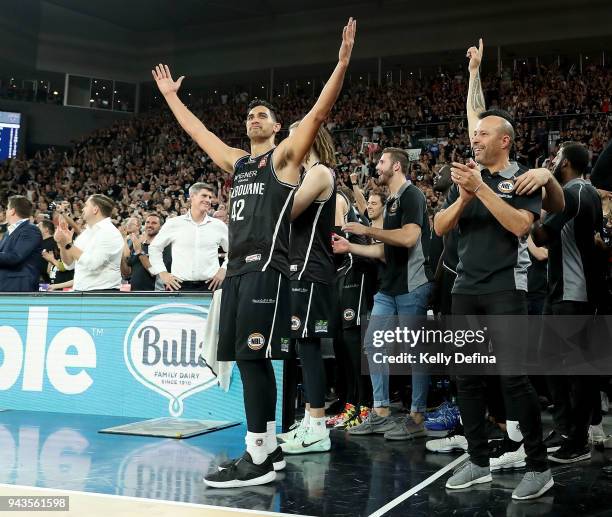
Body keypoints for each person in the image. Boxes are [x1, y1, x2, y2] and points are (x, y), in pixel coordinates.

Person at [152, 17, 356, 489]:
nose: (254, 119)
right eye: (250, 116)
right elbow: (199, 134)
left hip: (269, 268)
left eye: (263, 115)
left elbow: (319, 115)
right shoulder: (237, 161)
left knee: (253, 360)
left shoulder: (283, 160)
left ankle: (260, 455)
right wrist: (171, 99)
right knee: (246, 361)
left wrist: (341, 64)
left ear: (279, 127)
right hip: (239, 271)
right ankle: (264, 451)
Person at [433, 109, 553, 499]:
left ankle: (538, 466)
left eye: (484, 134)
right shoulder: (466, 179)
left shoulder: (522, 180)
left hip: (506, 288)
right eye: (475, 134)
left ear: (505, 140)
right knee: (467, 379)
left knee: (513, 379)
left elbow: (521, 227)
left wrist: (481, 189)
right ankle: (478, 460)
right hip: (465, 287)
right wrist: (466, 195)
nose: (476, 139)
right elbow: (439, 226)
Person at [333, 147, 434, 440]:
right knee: (373, 345)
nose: (376, 166)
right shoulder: (391, 201)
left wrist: (368, 230)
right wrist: (350, 247)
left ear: (397, 167)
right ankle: (380, 412)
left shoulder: (411, 195)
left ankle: (417, 416)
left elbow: (408, 237)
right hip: (389, 287)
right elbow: (385, 251)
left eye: (381, 161)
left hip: (412, 286)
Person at [531, 142, 604, 463]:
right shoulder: (589, 193)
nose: (553, 158)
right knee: (552, 363)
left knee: (576, 372)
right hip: (569, 292)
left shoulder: (571, 195)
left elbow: (540, 236)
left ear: (566, 164)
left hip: (571, 294)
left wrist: (531, 210)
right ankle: (566, 429)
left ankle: (577, 440)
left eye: (557, 155)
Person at [280, 123, 337, 455]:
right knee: (303, 345)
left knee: (309, 344)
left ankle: (318, 426)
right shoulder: (306, 175)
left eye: (294, 133)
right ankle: (309, 418)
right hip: (299, 267)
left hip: (310, 269)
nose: (289, 140)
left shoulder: (319, 173)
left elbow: (287, 211)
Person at [147, 184, 226, 292]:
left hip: (211, 286)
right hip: (178, 286)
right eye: (204, 196)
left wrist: (223, 270)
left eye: (210, 197)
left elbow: (234, 251)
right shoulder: (174, 223)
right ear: (192, 196)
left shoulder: (218, 225)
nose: (208, 200)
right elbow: (154, 248)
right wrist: (163, 273)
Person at [53, 194, 124, 292]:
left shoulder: (109, 232)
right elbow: (69, 264)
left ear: (95, 210)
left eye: (86, 206)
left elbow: (92, 264)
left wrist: (68, 244)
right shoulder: (86, 233)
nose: (83, 209)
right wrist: (62, 243)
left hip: (102, 294)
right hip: (81, 292)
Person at [0, 196, 43, 292]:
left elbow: (16, 257)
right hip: (6, 286)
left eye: (7, 208)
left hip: (18, 287)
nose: (5, 211)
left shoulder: (30, 230)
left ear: (12, 211)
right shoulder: (9, 232)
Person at [123, 213, 171, 291]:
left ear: (161, 227)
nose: (149, 225)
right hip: (134, 293)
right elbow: (127, 273)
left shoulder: (165, 247)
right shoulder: (138, 244)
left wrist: (139, 251)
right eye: (147, 222)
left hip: (153, 295)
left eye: (154, 223)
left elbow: (155, 272)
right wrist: (124, 242)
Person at [37, 219, 58, 284]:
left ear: (46, 229)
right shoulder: (38, 242)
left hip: (49, 281)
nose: (36, 227)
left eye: (39, 226)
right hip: (39, 278)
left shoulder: (54, 242)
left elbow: (54, 261)